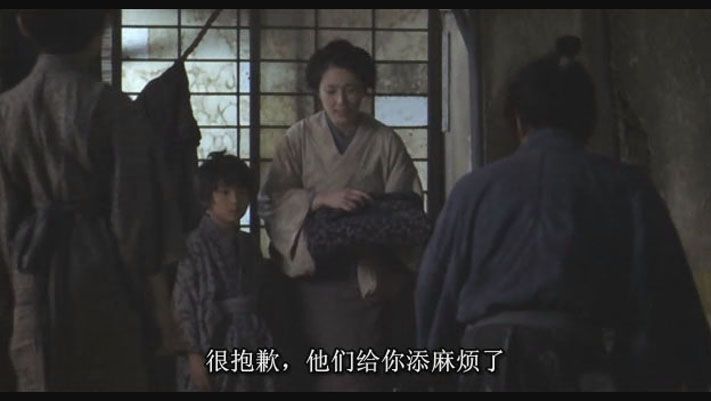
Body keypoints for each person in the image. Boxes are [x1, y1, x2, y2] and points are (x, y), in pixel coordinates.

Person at [415, 35, 711, 391]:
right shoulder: (627, 187)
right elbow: (664, 297)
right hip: (579, 365)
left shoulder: (473, 190)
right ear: (588, 121)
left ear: (519, 120)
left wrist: (435, 374)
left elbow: (434, 290)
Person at [0, 9, 179, 391]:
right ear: (100, 31)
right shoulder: (113, 109)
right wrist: (163, 319)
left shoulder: (6, 111)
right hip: (102, 281)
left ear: (24, 24)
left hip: (30, 281)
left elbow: (5, 224)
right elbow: (135, 228)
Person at [258, 39, 423, 391]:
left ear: (365, 90)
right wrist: (317, 199)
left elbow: (406, 209)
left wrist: (367, 221)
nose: (340, 101)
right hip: (312, 276)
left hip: (367, 276)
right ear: (317, 91)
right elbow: (272, 201)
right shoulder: (299, 138)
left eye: (351, 90)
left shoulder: (384, 141)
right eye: (330, 91)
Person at [173, 151, 275, 392]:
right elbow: (184, 304)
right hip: (212, 338)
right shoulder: (194, 245)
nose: (235, 200)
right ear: (208, 196)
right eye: (225, 192)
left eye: (241, 192)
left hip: (252, 337)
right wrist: (194, 354)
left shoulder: (248, 244)